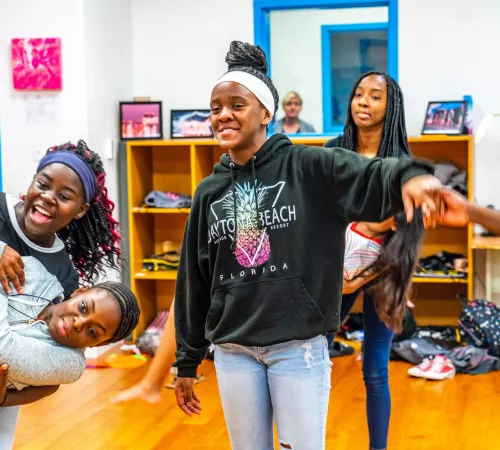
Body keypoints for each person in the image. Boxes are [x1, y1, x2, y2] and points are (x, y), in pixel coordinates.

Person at [170, 41, 443, 450]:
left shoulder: (311, 166)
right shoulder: (209, 192)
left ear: (266, 113)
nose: (223, 115)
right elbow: (193, 280)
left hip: (298, 349)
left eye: (236, 105)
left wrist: (412, 177)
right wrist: (187, 359)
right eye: (215, 108)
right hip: (232, 351)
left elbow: (377, 173)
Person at [0, 139, 121, 449]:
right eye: (43, 184)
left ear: (80, 210)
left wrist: (7, 396)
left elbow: (57, 369)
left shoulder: (63, 274)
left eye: (65, 197)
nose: (48, 198)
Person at [324, 71, 422, 450]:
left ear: (390, 106)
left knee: (375, 370)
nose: (363, 101)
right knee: (310, 360)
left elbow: (406, 226)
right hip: (338, 269)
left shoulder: (401, 162)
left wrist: (366, 224)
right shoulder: (334, 151)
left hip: (383, 269)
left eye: (375, 96)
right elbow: (322, 213)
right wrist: (371, 221)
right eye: (358, 94)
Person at [1, 256, 139, 392]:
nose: (78, 323)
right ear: (79, 292)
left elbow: (3, 351)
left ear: (98, 344)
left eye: (92, 331)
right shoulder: (34, 273)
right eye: (83, 307)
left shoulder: (70, 364)